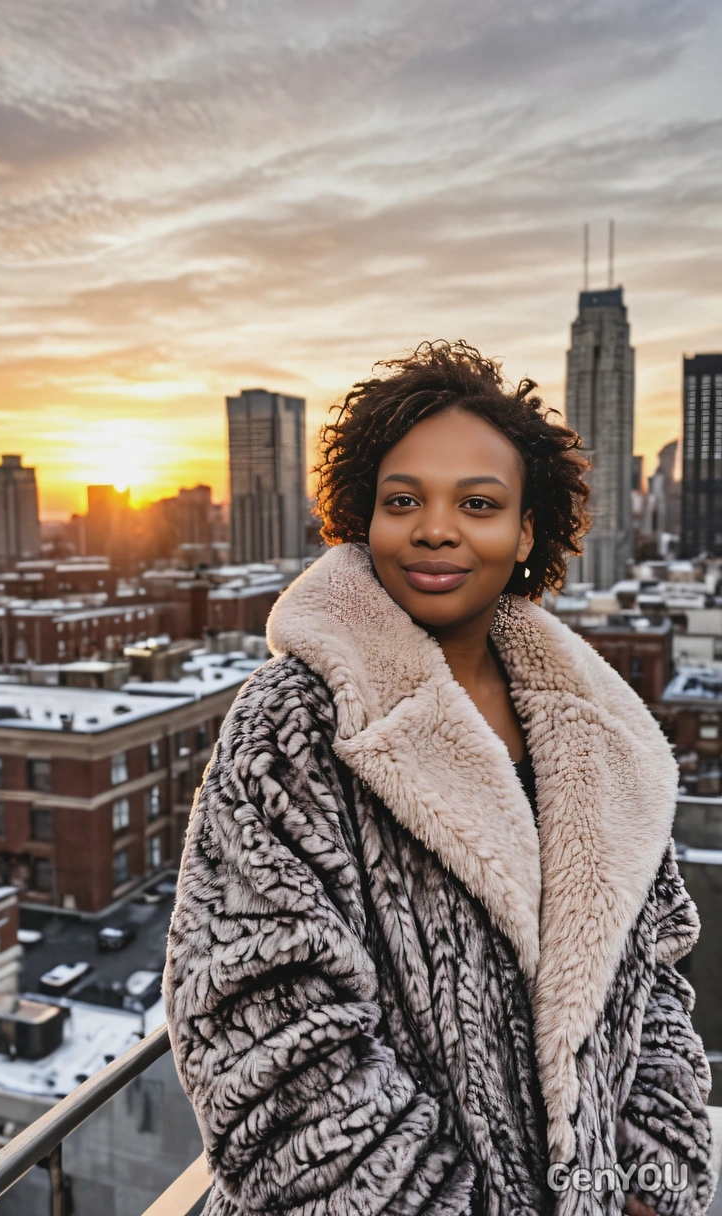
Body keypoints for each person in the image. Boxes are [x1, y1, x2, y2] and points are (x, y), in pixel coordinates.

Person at [163, 341, 715, 1216]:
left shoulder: (602, 734)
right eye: (404, 500)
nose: (436, 528)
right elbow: (267, 1045)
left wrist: (652, 1181)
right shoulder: (296, 724)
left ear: (528, 529)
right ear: (364, 517)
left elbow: (654, 987)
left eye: (480, 503)